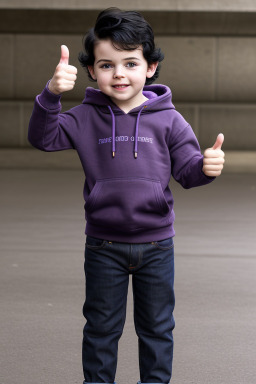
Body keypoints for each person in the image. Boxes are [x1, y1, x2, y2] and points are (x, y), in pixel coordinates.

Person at [28, 7, 225, 384]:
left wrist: (205, 168)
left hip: (157, 246)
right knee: (101, 329)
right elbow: (43, 138)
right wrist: (51, 94)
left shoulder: (169, 119)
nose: (118, 73)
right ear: (91, 71)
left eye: (130, 63)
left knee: (157, 329)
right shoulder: (84, 117)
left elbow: (187, 172)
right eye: (106, 65)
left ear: (150, 67)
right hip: (103, 245)